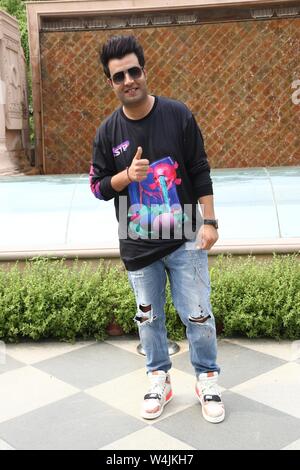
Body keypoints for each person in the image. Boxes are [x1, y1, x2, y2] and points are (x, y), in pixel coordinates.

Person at [90, 35, 225, 424]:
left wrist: (210, 221)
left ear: (144, 72)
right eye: (119, 76)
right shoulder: (107, 133)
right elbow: (97, 187)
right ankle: (159, 377)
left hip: (186, 239)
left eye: (134, 71)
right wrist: (124, 176)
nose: (129, 80)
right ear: (111, 83)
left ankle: (207, 378)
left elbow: (199, 168)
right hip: (137, 246)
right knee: (148, 319)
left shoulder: (178, 114)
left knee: (198, 314)